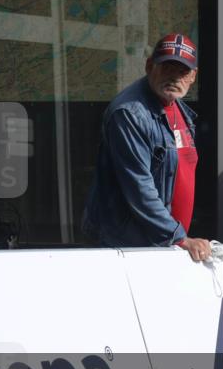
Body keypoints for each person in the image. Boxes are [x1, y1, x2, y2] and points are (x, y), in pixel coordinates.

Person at [82, 33, 213, 262]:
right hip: (128, 249)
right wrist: (180, 238)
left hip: (164, 243)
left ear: (193, 76)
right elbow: (139, 188)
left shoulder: (179, 110)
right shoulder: (130, 113)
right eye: (167, 68)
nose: (174, 77)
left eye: (182, 72)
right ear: (149, 66)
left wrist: (178, 238)